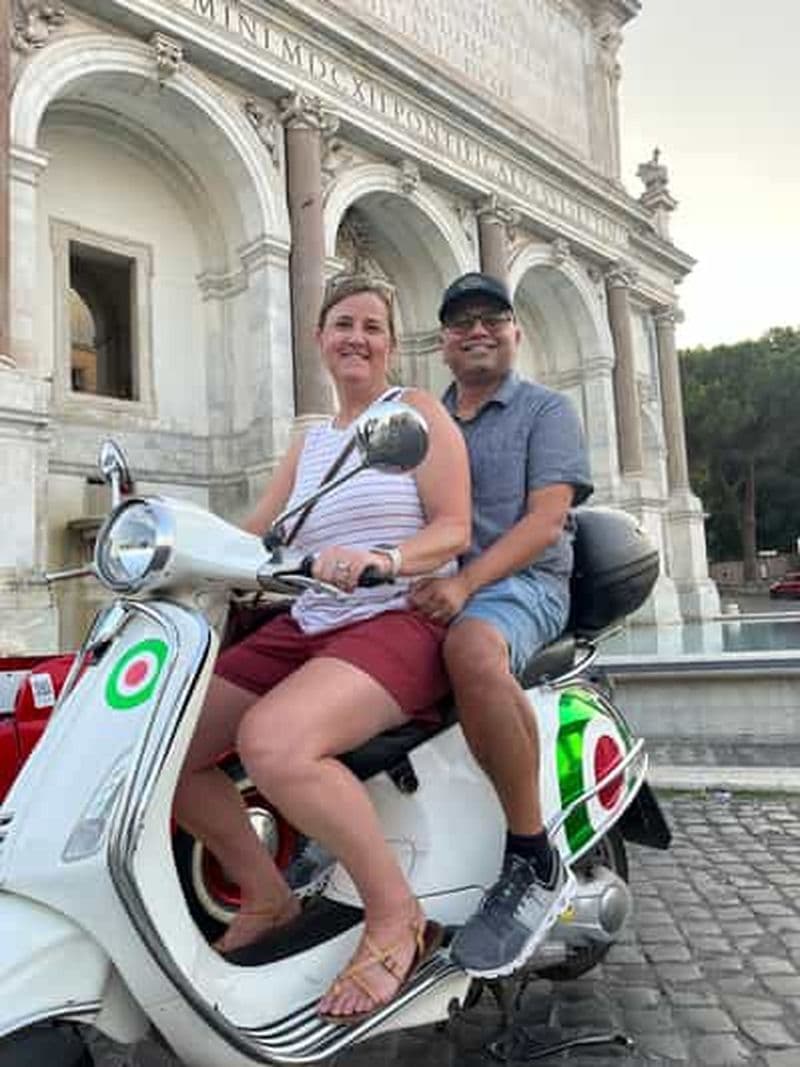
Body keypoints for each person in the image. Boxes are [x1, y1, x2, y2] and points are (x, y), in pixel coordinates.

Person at [173, 274, 470, 1022]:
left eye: (374, 326)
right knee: (161, 745)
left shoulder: (416, 414)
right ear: (319, 339)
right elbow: (254, 536)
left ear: (393, 345)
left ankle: (394, 912)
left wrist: (387, 558)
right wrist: (167, 550)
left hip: (396, 617)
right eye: (344, 323)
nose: (357, 338)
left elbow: (453, 528)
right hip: (308, 622)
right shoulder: (310, 442)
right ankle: (267, 896)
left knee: (273, 742)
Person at [410, 272, 593, 978]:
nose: (477, 330)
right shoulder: (427, 421)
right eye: (461, 323)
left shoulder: (545, 410)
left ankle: (531, 854)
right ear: (444, 344)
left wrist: (464, 582)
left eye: (492, 318)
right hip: (440, 583)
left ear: (515, 331)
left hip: (523, 582)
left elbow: (547, 520)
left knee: (472, 648)